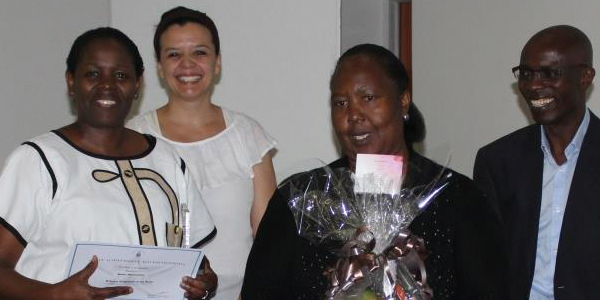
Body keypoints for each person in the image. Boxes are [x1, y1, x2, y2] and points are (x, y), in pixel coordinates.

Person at [242, 44, 505, 299]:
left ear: (403, 101)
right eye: (340, 103)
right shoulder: (301, 200)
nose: (354, 114)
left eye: (368, 98)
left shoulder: (456, 198)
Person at [0, 27, 217, 299]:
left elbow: (189, 257)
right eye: (92, 74)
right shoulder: (39, 160)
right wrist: (54, 294)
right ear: (71, 81)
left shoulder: (166, 159)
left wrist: (204, 283)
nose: (107, 85)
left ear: (138, 85)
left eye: (121, 76)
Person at [126, 6, 277, 299]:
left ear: (217, 62)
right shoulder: (134, 136)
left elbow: (269, 240)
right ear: (159, 67)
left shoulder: (248, 135)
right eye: (173, 54)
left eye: (199, 53)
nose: (187, 65)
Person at [473, 25, 598, 300]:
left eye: (550, 73)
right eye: (526, 74)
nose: (533, 85)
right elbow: (485, 261)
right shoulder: (497, 161)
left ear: (585, 77)